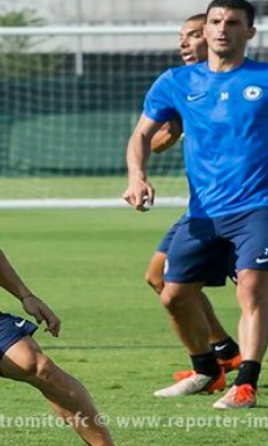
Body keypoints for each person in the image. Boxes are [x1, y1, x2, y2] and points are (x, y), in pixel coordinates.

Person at [123, 0, 268, 409]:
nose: (223, 29)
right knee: (172, 294)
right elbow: (141, 136)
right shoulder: (175, 82)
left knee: (254, 288)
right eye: (216, 22)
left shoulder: (264, 79)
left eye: (233, 22)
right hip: (203, 212)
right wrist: (137, 175)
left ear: (250, 32)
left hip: (258, 205)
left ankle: (247, 383)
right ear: (206, 30)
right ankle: (207, 369)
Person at [143, 13, 241, 383]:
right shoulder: (182, 85)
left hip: (245, 204)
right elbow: (157, 142)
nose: (184, 43)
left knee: (250, 287)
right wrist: (178, 126)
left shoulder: (241, 84)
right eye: (181, 36)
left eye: (193, 35)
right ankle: (225, 351)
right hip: (204, 207)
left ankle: (226, 358)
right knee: (158, 278)